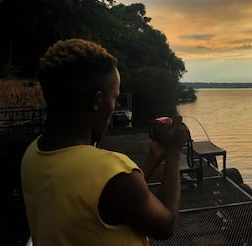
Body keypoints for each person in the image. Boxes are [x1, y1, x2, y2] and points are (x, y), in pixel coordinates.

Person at [21, 38, 188, 245]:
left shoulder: (32, 154)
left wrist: (154, 158)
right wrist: (173, 154)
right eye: (114, 97)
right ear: (97, 101)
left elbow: (113, 196)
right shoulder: (111, 171)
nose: (115, 106)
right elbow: (166, 225)